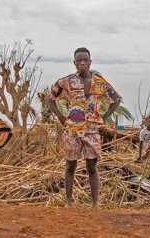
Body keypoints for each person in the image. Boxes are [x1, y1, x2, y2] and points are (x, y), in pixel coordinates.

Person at [46, 47, 122, 208]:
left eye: (85, 60)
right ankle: (68, 202)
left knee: (92, 166)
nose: (82, 63)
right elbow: (50, 99)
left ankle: (95, 204)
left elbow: (116, 99)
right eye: (79, 60)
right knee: (70, 165)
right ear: (74, 63)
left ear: (90, 62)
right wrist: (60, 116)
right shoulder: (66, 81)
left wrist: (104, 116)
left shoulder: (100, 83)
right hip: (72, 129)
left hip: (92, 130)